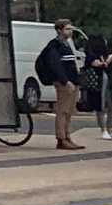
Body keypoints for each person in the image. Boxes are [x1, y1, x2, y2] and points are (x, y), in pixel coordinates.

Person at [36, 18, 84, 150]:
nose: (70, 31)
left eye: (71, 29)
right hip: (64, 83)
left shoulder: (67, 45)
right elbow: (55, 65)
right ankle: (61, 138)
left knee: (69, 111)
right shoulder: (54, 45)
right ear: (59, 30)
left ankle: (68, 136)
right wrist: (65, 81)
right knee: (62, 111)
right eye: (67, 29)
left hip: (73, 81)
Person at [87, 35, 112, 140]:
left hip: (110, 78)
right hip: (99, 79)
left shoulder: (107, 51)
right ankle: (103, 130)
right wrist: (107, 61)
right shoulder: (92, 53)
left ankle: (110, 129)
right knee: (101, 105)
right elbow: (95, 63)